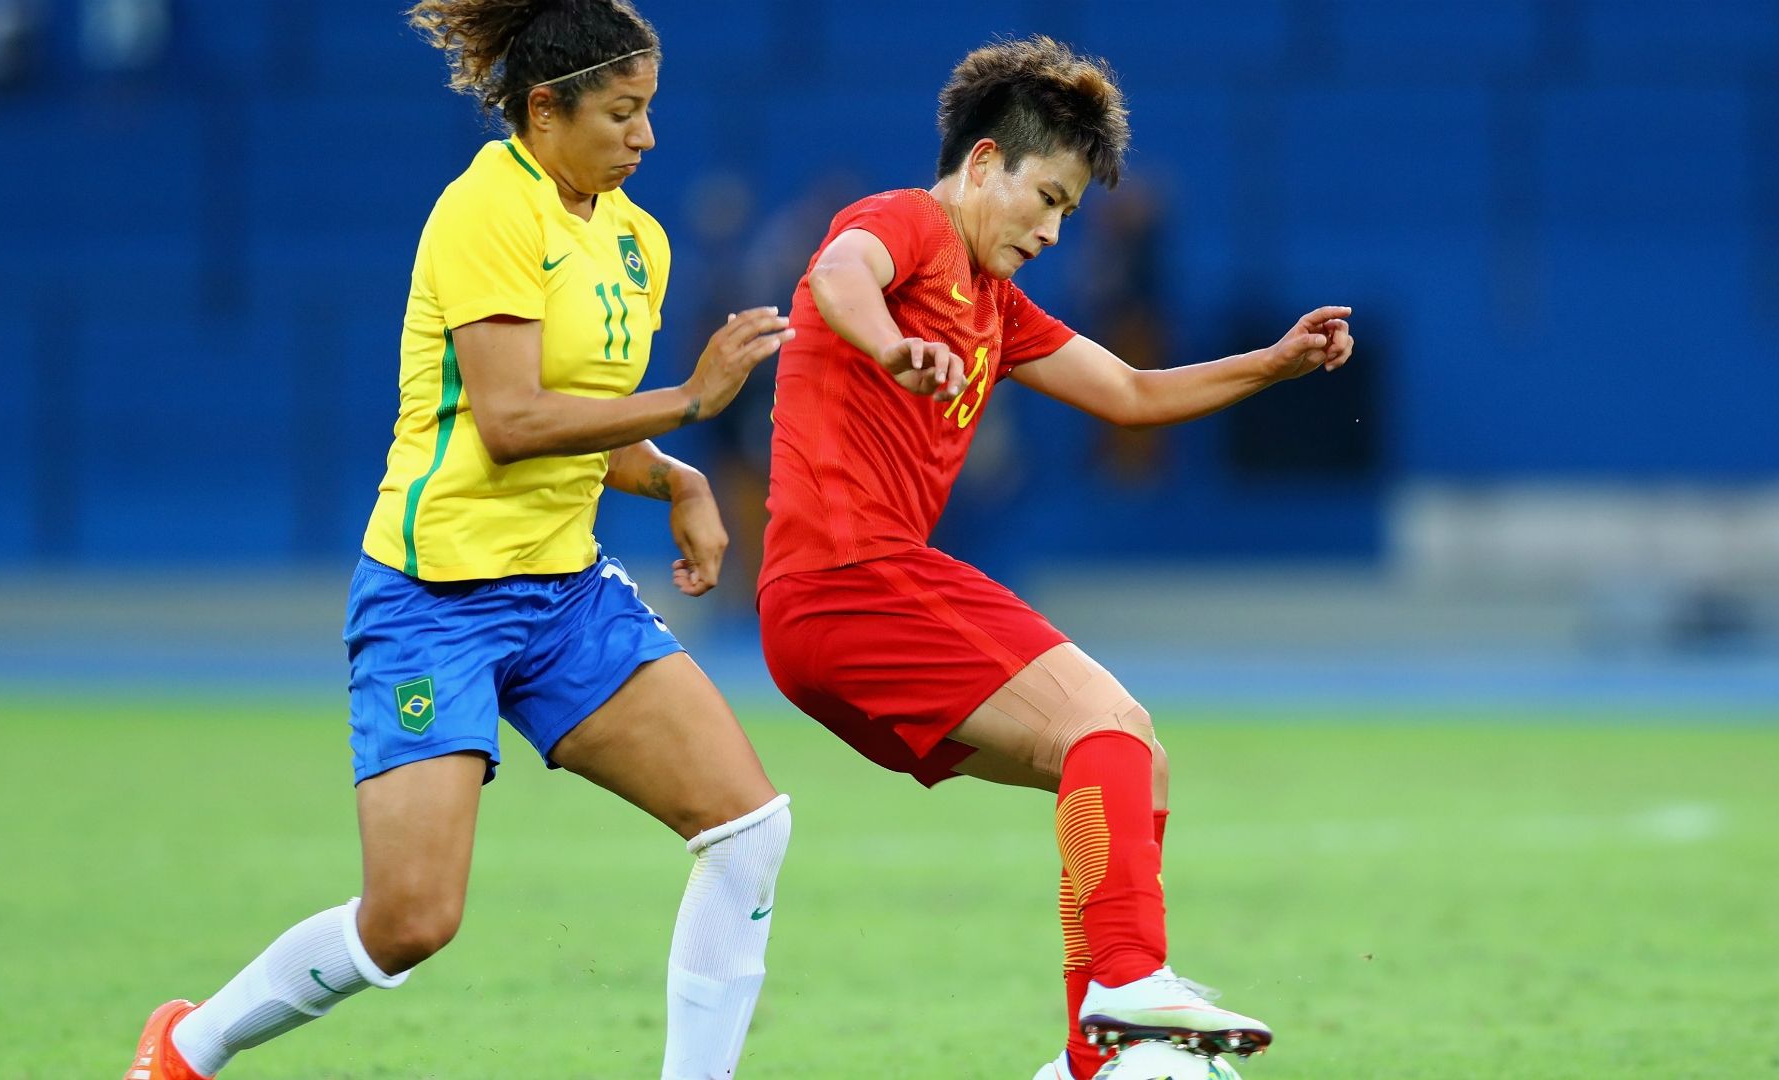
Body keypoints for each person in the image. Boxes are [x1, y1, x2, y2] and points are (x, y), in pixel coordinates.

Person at [124, 3, 795, 1077]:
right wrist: (689, 404)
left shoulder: (636, 240)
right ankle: (185, 1047)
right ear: (545, 108)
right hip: (436, 598)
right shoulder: (486, 208)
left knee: (748, 830)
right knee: (412, 920)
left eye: (651, 111)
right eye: (623, 113)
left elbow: (583, 431)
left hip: (565, 594)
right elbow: (511, 420)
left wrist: (671, 475)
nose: (647, 137)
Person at [755, 36, 1354, 1080]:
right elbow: (839, 272)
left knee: (1127, 760)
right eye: (1046, 195)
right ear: (983, 164)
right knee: (1106, 722)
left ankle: (1099, 1058)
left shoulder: (996, 305)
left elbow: (1127, 392)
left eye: (1069, 210)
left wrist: (1274, 362)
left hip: (838, 611)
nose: (1052, 226)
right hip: (851, 582)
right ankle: (1128, 988)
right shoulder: (907, 223)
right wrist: (889, 344)